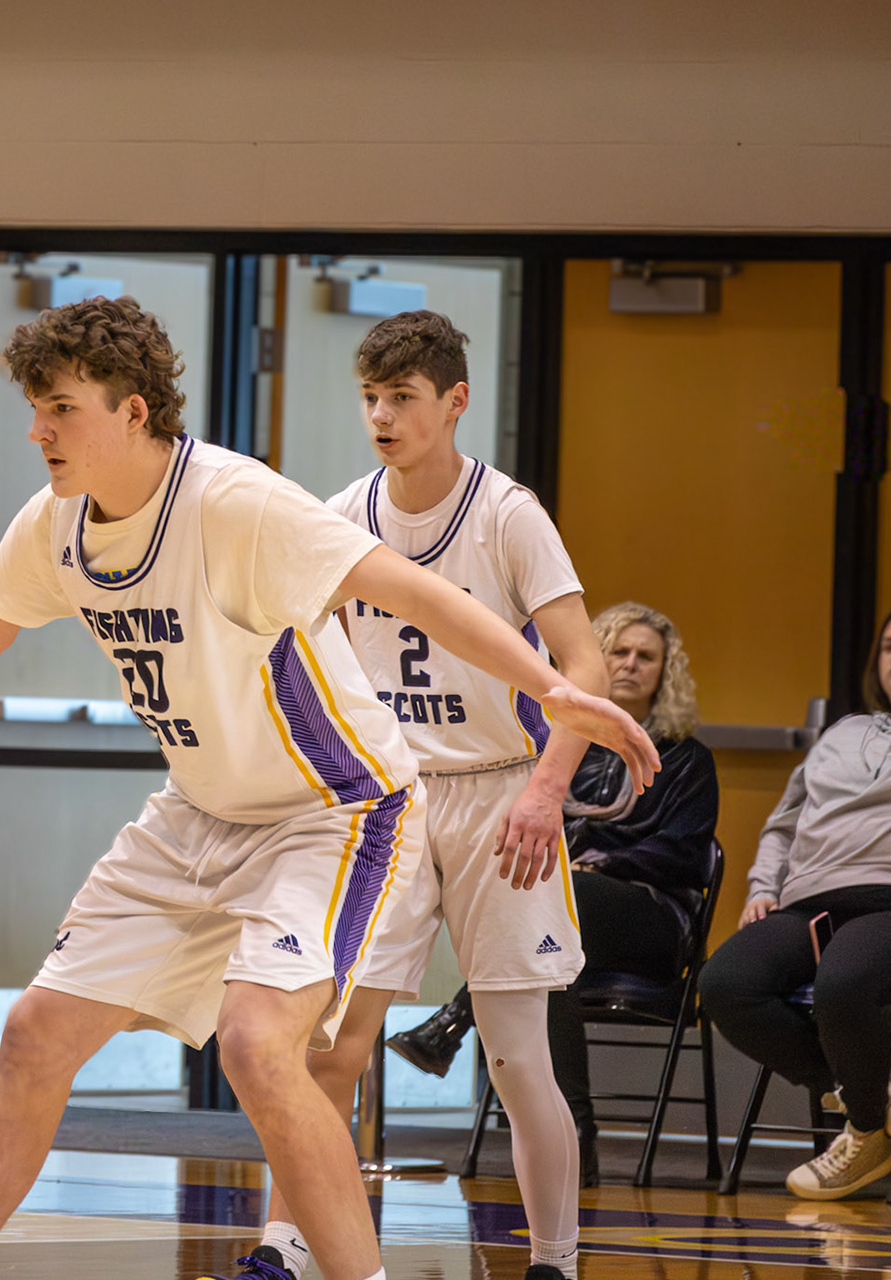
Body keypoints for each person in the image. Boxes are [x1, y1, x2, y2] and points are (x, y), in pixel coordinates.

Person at [0, 297, 657, 1280]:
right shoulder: (57, 527)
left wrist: (555, 686)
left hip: (336, 809)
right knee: (34, 1030)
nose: (35, 428)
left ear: (133, 412)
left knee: (261, 1039)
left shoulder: (233, 503)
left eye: (58, 407)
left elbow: (404, 585)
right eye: (34, 407)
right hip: (199, 812)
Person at [254, 311, 605, 1280]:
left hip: (501, 797)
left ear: (454, 401)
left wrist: (545, 790)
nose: (381, 414)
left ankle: (554, 1262)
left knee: (515, 1057)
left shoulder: (509, 514)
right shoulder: (337, 515)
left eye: (401, 396)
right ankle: (283, 1250)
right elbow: (281, 652)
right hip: (388, 802)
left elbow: (584, 666)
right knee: (329, 1046)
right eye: (370, 395)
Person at [386, 601, 720, 1186]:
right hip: (568, 910)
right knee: (547, 956)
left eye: (647, 657)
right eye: (618, 651)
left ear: (665, 674)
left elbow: (685, 854)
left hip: (650, 917)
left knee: (560, 908)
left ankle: (450, 1027)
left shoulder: (687, 759)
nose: (630, 665)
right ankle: (576, 1140)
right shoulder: (557, 748)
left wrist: (599, 864)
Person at [699, 608, 891, 1201]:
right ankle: (872, 1102)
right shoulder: (842, 733)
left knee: (842, 984)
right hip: (809, 899)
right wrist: (762, 887)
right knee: (724, 983)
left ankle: (862, 1133)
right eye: (890, 646)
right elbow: (782, 827)